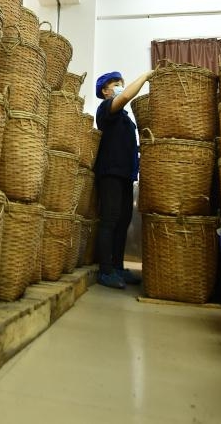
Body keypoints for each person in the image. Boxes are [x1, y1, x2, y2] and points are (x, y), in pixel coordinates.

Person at [93, 68, 154, 289]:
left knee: (123, 221)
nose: (120, 85)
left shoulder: (125, 118)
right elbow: (126, 96)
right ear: (105, 90)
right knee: (109, 219)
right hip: (110, 172)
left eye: (121, 82)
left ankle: (117, 267)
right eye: (115, 83)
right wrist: (146, 76)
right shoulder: (106, 109)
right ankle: (105, 270)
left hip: (126, 174)